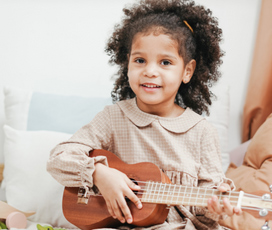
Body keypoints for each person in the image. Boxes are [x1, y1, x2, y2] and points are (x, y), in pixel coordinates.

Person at [47, 0, 241, 229]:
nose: (150, 71)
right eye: (140, 60)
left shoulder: (201, 131)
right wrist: (100, 174)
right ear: (127, 63)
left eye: (165, 62)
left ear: (187, 71)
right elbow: (59, 158)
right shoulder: (114, 118)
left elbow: (206, 206)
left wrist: (215, 205)